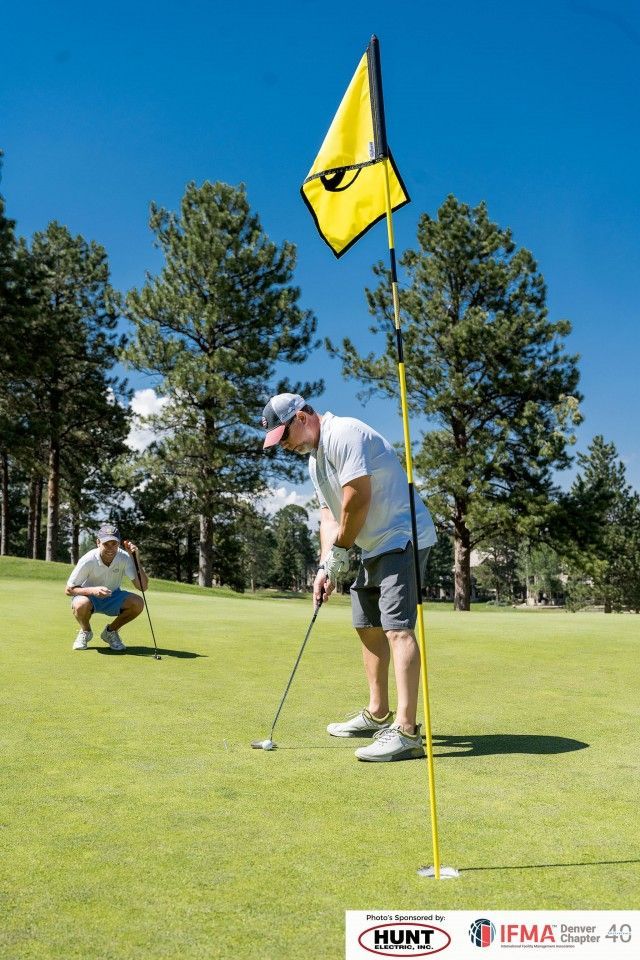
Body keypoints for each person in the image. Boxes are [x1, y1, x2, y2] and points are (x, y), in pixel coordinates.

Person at [261, 393, 437, 762]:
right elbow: (329, 516)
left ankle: (406, 731)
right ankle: (378, 713)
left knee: (397, 628)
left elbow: (357, 497)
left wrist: (341, 550)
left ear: (301, 417)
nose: (284, 447)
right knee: (366, 624)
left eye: (284, 436)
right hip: (373, 544)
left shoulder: (344, 433)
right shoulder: (315, 462)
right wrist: (325, 566)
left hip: (402, 535)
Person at [65, 523, 149, 652]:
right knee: (80, 604)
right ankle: (86, 631)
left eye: (114, 544)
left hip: (113, 596)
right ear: (98, 543)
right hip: (88, 597)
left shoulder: (124, 557)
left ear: (119, 543)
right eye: (106, 544)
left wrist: (135, 558)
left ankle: (110, 632)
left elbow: (142, 587)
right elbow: (69, 589)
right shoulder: (88, 559)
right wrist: (92, 590)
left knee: (137, 603)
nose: (110, 548)